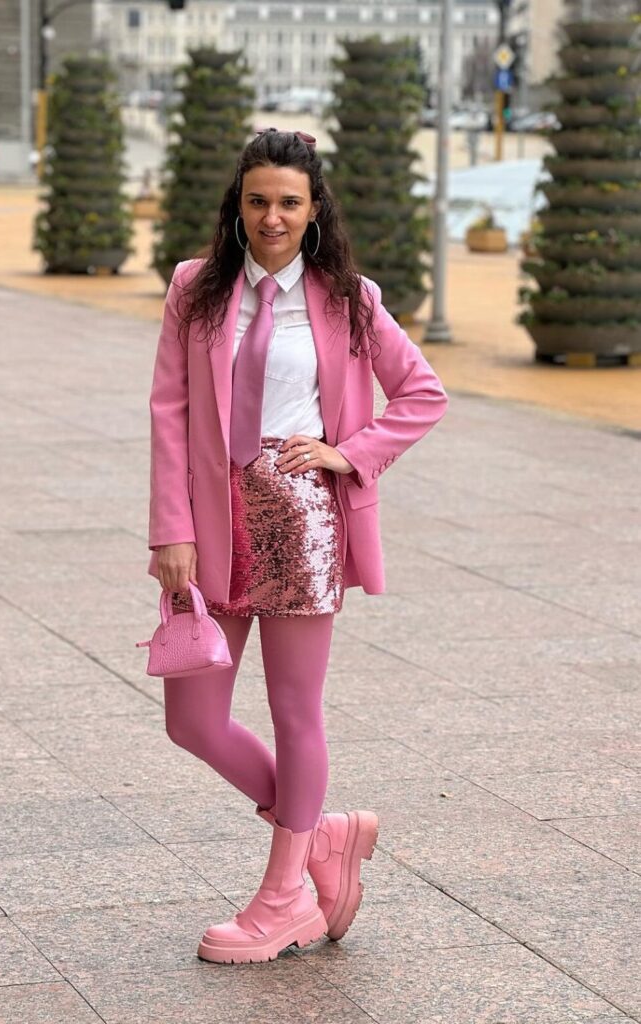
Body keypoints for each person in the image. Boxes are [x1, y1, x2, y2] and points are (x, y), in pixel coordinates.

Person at [147, 127, 448, 965]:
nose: (271, 217)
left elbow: (423, 393)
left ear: (314, 210)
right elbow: (168, 412)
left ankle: (283, 898)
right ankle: (320, 837)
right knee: (193, 718)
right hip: (209, 522)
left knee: (293, 711)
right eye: (257, 201)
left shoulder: (349, 297)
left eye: (288, 202)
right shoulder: (194, 290)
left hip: (301, 518)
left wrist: (348, 454)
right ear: (235, 205)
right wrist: (168, 530)